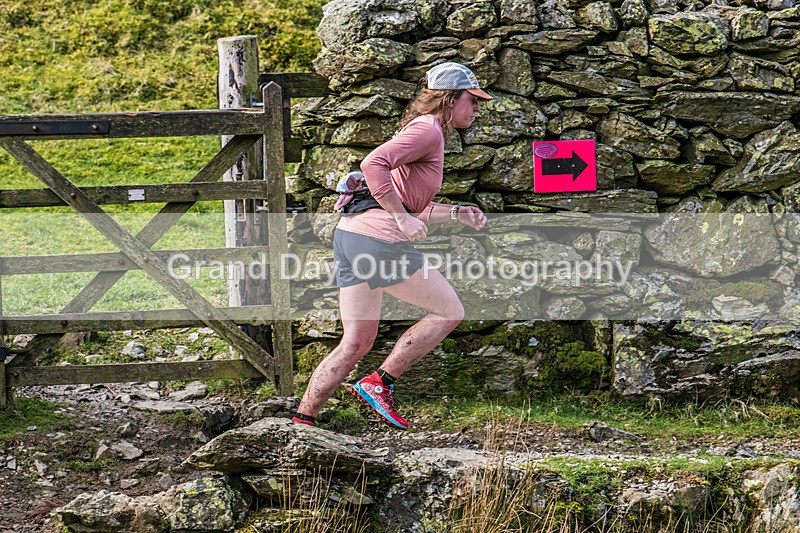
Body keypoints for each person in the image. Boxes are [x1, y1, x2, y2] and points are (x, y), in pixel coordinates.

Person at [292, 62, 491, 430]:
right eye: (472, 99)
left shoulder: (424, 130)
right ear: (449, 100)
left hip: (352, 237)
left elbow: (409, 202)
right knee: (449, 311)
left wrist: (458, 212)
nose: (477, 107)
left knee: (355, 343)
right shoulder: (429, 130)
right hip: (379, 242)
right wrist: (401, 219)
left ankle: (303, 420)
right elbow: (373, 164)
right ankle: (379, 382)